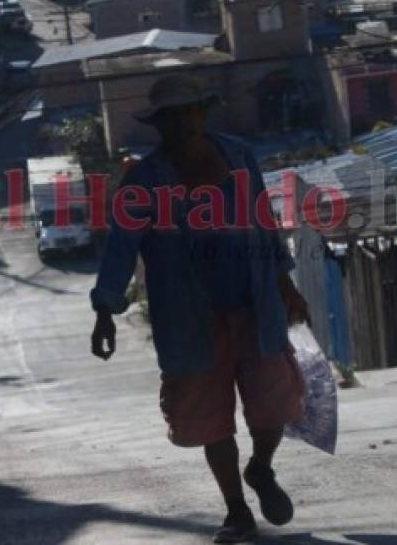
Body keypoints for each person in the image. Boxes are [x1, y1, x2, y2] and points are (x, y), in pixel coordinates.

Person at [90, 74, 310, 544]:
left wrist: (285, 281)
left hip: (254, 306)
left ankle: (261, 469)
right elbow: (121, 249)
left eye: (191, 111)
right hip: (190, 320)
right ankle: (236, 510)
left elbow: (264, 222)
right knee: (211, 418)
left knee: (272, 405)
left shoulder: (237, 157)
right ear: (160, 125)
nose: (184, 123)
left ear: (203, 113)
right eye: (172, 116)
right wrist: (105, 309)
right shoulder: (144, 181)